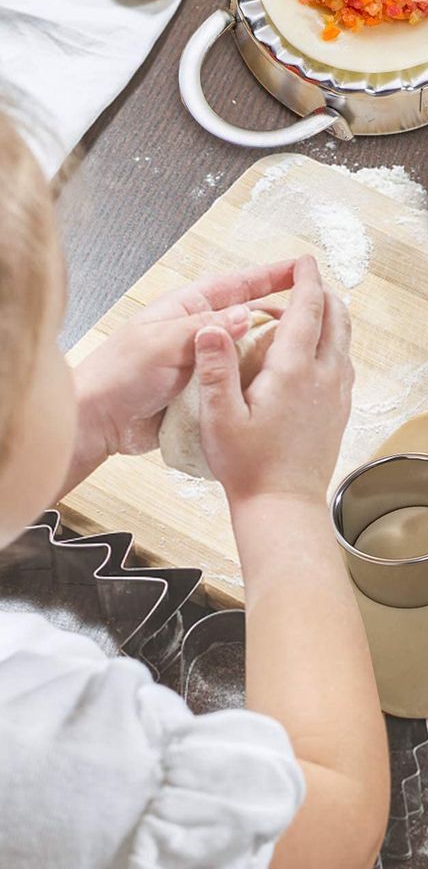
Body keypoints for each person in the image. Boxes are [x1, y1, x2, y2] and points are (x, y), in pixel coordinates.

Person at [0, 108, 390, 868]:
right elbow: (327, 827)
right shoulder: (28, 743)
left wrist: (84, 420)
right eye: (46, 346)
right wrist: (279, 494)